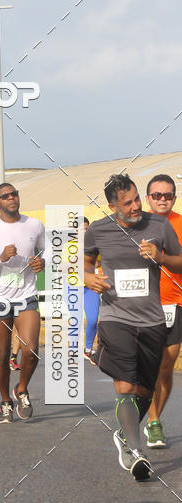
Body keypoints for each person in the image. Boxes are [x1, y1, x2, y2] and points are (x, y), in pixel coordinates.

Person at [84, 173, 182, 480]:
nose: (136, 205)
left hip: (152, 319)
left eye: (137, 198)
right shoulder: (99, 229)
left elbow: (181, 262)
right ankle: (137, 452)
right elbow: (82, 263)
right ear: (113, 206)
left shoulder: (159, 226)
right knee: (125, 384)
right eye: (128, 203)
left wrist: (161, 256)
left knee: (145, 389)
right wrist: (87, 277)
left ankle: (124, 435)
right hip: (115, 317)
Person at [0, 183, 45, 423]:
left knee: (31, 349)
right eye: (5, 196)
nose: (11, 198)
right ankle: (5, 401)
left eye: (14, 194)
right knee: (1, 355)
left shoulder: (34, 224)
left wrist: (42, 262)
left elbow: (50, 251)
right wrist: (0, 258)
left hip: (26, 295)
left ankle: (21, 388)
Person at [142, 174, 182, 448]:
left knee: (166, 367)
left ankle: (154, 420)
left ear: (174, 198)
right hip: (140, 305)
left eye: (167, 195)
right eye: (157, 195)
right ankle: (149, 420)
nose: (162, 200)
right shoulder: (134, 224)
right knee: (146, 367)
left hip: (174, 303)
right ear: (147, 198)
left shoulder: (181, 223)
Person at [83, 217, 101, 361]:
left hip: (91, 287)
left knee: (93, 320)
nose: (83, 231)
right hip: (73, 287)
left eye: (86, 228)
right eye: (80, 229)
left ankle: (88, 349)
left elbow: (103, 261)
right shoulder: (68, 247)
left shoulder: (96, 245)